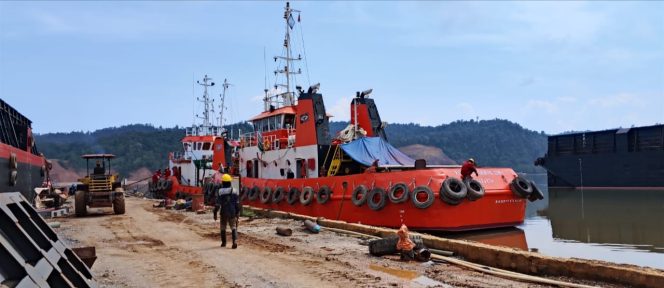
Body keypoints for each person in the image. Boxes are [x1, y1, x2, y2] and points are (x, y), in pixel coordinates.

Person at [215, 174, 240, 248]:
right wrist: (238, 212)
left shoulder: (220, 191)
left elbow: (217, 204)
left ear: (223, 182)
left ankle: (224, 243)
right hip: (232, 211)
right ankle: (234, 241)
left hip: (223, 211)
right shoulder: (234, 190)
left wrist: (215, 213)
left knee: (223, 227)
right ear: (230, 182)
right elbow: (237, 203)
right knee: (233, 227)